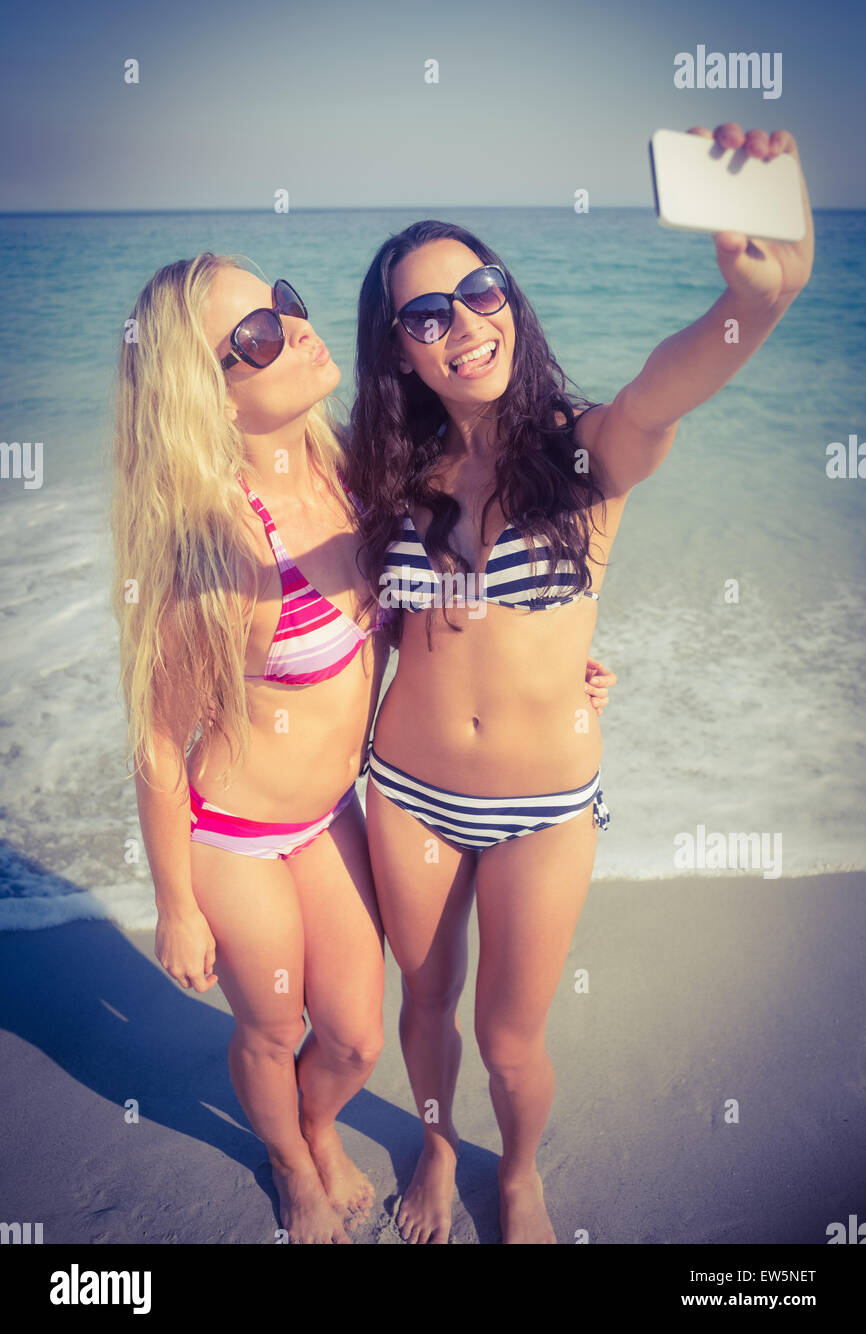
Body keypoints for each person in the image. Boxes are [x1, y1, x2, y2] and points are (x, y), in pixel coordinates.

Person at [345, 122, 814, 1244]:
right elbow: (354, 617)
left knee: (511, 1042)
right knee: (419, 1003)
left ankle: (513, 1176)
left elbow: (666, 389)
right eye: (427, 313)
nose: (464, 323)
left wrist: (759, 301)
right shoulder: (387, 473)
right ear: (398, 348)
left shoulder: (581, 450)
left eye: (480, 290)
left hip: (541, 809)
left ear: (509, 299)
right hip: (406, 789)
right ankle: (437, 1141)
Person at [111, 252, 618, 1243]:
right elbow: (161, 740)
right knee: (272, 1024)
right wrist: (174, 903)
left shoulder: (358, 475)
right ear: (203, 395)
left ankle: (313, 1119)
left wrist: (569, 667)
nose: (295, 329)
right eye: (255, 335)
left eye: (286, 305)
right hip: (235, 831)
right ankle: (294, 1165)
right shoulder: (217, 545)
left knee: (347, 1034)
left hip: (336, 810)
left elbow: (465, 602)